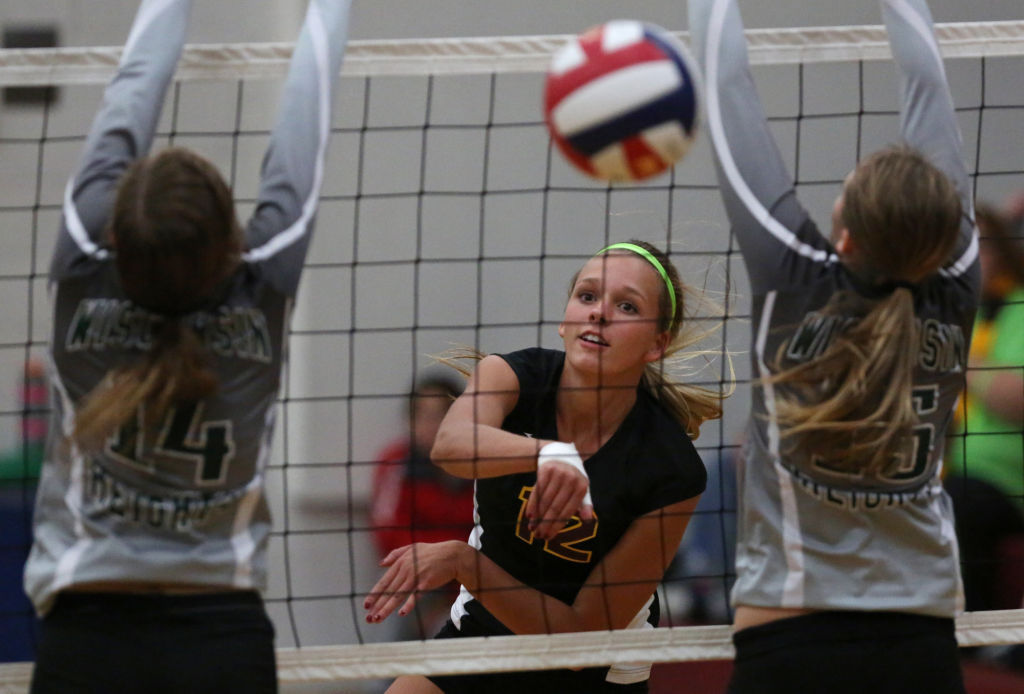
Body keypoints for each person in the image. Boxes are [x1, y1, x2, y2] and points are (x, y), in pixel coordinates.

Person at [23, 1, 352, 692]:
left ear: (115, 235)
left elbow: (132, 89)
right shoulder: (263, 283)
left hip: (86, 638)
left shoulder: (81, 264)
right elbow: (307, 108)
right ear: (230, 242)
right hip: (221, 640)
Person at [687, 0, 977, 692]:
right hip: (922, 647)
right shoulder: (959, 284)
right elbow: (930, 91)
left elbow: (726, 85)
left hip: (788, 641)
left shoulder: (793, 276)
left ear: (843, 237)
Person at [364, 240, 724, 693]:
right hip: (485, 634)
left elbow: (578, 643)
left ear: (657, 345)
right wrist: (550, 453)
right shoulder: (514, 378)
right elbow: (450, 445)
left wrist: (464, 564)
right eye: (588, 296)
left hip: (592, 670)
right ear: (564, 320)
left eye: (626, 305)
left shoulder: (669, 466)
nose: (599, 313)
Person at [945, 202, 1024, 615]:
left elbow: (1018, 397)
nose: (973, 260)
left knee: (960, 502)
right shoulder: (945, 315)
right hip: (949, 470)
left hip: (1006, 482)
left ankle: (973, 635)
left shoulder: (1018, 309)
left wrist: (952, 351)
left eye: (984, 248)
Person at [370, 372, 474, 640]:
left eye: (439, 414)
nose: (430, 424)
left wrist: (459, 564)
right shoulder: (396, 463)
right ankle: (392, 679)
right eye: (422, 415)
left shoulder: (481, 464)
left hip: (476, 577)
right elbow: (388, 534)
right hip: (421, 579)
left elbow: (494, 531)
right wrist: (441, 561)